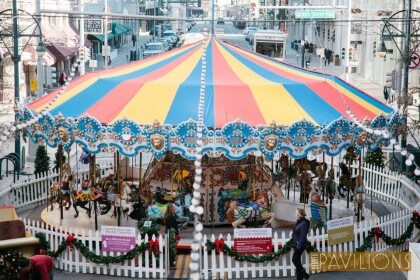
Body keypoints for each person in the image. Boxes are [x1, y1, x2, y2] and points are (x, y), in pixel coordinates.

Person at [292, 208, 310, 280]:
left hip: (299, 245)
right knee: (298, 261)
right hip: (295, 244)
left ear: (299, 214)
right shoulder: (299, 221)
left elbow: (302, 237)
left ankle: (304, 274)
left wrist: (298, 247)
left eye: (296, 213)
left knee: (294, 260)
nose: (295, 214)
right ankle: (299, 278)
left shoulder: (304, 223)